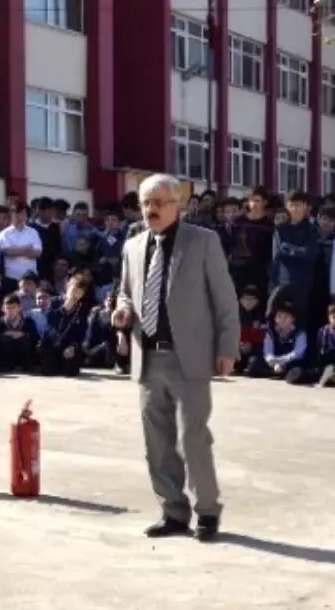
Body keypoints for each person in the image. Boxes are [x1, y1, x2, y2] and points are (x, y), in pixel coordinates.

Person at [113, 174, 239, 543]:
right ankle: (172, 511)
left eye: (158, 203)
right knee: (157, 442)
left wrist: (227, 348)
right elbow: (125, 292)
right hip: (148, 358)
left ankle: (207, 512)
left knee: (193, 438)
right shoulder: (133, 246)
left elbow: (225, 300)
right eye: (145, 203)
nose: (150, 210)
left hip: (191, 358)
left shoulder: (203, 242)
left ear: (176, 205)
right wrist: (121, 311)